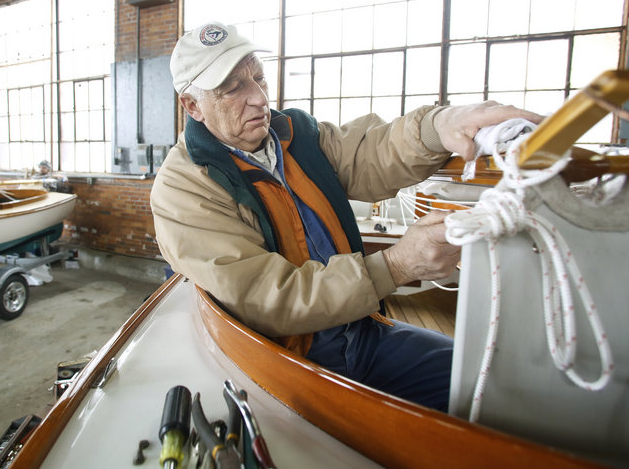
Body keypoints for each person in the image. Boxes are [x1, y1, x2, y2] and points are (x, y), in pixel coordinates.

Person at [150, 21, 542, 411]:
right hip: (286, 365)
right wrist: (396, 266)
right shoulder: (184, 189)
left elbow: (370, 152)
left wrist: (440, 125)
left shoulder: (296, 136)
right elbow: (269, 297)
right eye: (233, 87)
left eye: (258, 77)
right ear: (192, 105)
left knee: (490, 383)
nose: (258, 97)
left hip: (361, 328)